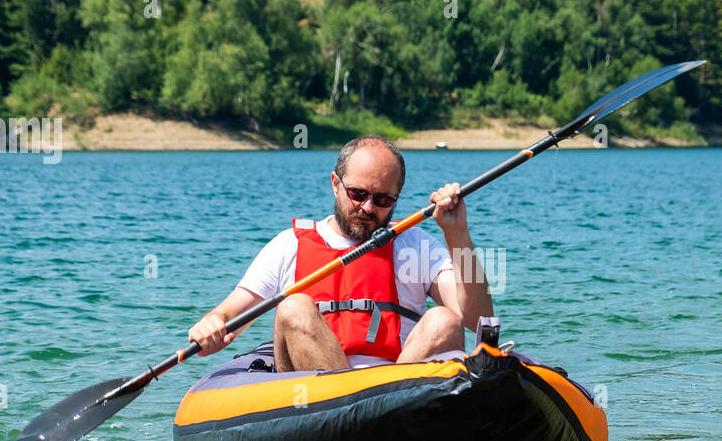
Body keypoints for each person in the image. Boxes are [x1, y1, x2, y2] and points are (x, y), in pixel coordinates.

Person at [187, 135, 494, 371]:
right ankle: (355, 413)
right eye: (358, 194)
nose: (368, 208)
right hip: (317, 399)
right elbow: (227, 318)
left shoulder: (415, 245)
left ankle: (383, 418)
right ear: (335, 184)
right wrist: (211, 324)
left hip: (400, 394)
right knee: (294, 307)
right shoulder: (288, 245)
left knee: (444, 319)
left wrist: (457, 233)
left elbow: (477, 317)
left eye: (383, 199)